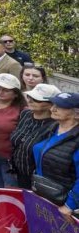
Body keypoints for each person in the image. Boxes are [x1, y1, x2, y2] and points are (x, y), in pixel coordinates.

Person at [32, 92, 79, 220]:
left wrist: (70, 205)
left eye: (60, 106)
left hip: (63, 202)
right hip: (44, 192)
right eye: (53, 104)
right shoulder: (52, 127)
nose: (52, 108)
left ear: (77, 114)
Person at [10, 84, 60, 188]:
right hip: (17, 171)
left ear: (51, 104)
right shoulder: (25, 114)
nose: (30, 101)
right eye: (30, 97)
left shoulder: (56, 125)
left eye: (37, 99)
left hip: (37, 179)